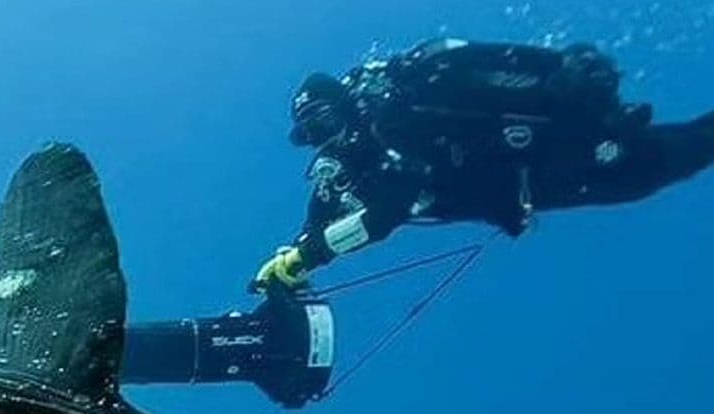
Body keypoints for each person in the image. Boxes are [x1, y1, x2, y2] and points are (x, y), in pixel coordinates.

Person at [252, 38, 714, 291]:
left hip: (569, 155)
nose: (325, 143)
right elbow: (328, 208)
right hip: (545, 183)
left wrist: (309, 256)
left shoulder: (397, 122)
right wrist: (292, 258)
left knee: (673, 157)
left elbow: (386, 212)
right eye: (312, 136)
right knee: (673, 159)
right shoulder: (357, 155)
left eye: (326, 124)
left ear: (348, 107)